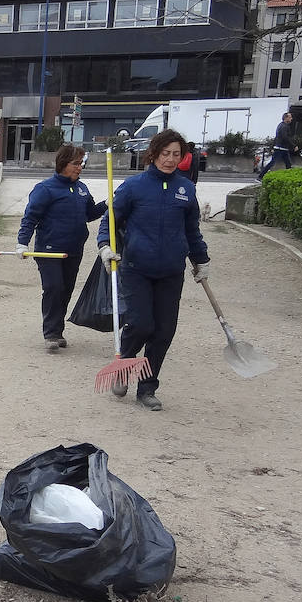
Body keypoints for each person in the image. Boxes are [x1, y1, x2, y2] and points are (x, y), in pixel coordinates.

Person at [96, 128, 209, 411]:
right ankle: (123, 365)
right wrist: (104, 246)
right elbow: (109, 221)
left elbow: (191, 229)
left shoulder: (186, 189)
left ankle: (147, 388)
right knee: (142, 324)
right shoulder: (134, 187)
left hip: (171, 271)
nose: (170, 160)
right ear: (153, 154)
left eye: (176, 155)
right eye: (165, 153)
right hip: (137, 268)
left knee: (163, 332)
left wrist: (201, 259)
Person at [16, 144, 108, 353]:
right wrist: (22, 242)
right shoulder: (45, 189)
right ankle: (50, 333)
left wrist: (107, 204)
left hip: (74, 249)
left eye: (81, 163)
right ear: (63, 164)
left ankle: (58, 331)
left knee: (65, 290)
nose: (79, 168)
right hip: (49, 250)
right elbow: (30, 217)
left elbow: (90, 214)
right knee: (53, 288)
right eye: (76, 163)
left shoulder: (82, 188)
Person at [258, 111, 294, 178]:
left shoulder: (281, 125)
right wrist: (293, 145)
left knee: (288, 164)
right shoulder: (284, 126)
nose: (291, 119)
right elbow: (285, 137)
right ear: (286, 118)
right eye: (290, 117)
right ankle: (260, 176)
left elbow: (277, 137)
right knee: (273, 163)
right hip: (280, 148)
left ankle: (289, 178)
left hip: (282, 148)